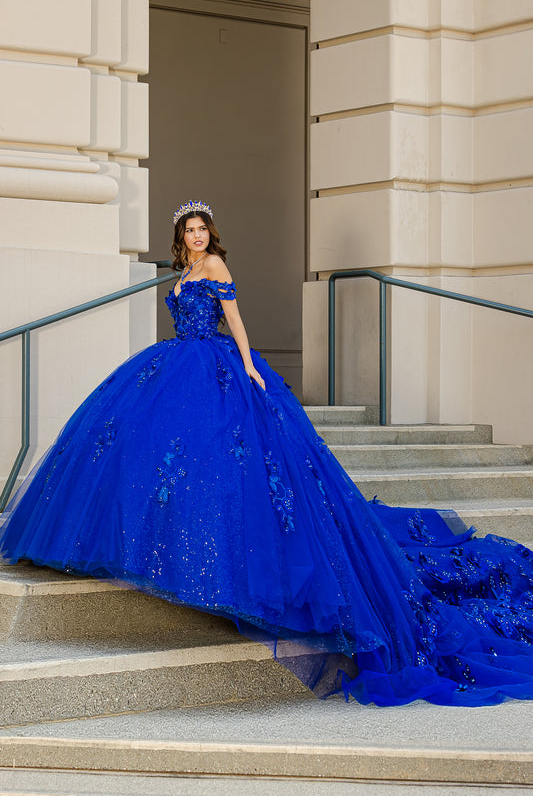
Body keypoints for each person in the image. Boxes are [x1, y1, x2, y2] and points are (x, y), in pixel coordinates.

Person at [0, 200, 532, 707]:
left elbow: (234, 319)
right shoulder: (183, 271)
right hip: (175, 365)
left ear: (211, 234)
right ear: (180, 237)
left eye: (203, 228)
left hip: (215, 366)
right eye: (190, 229)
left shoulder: (212, 266)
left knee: (225, 463)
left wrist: (251, 366)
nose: (198, 236)